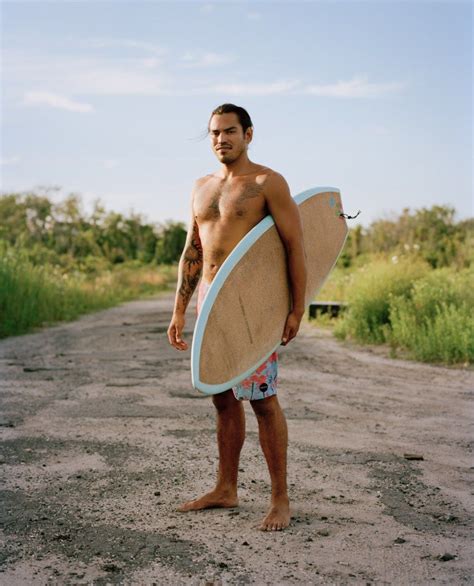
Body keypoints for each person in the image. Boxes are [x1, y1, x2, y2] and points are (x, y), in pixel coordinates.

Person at [167, 103, 307, 531]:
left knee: (263, 400)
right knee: (221, 397)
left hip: (252, 303)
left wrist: (296, 308)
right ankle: (226, 489)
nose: (220, 139)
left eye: (229, 131)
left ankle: (279, 499)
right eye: (213, 132)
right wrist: (178, 308)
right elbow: (193, 249)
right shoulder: (200, 187)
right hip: (209, 298)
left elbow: (295, 247)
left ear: (248, 134)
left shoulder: (268, 183)